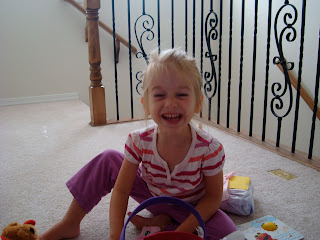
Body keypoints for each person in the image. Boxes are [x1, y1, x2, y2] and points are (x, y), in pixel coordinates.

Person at [40, 48, 237, 240]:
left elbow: (212, 198)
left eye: (181, 95)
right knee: (107, 158)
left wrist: (181, 233)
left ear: (197, 103)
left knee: (230, 233)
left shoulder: (210, 149)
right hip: (151, 197)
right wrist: (115, 235)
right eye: (160, 95)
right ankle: (70, 222)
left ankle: (164, 223)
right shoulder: (139, 140)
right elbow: (122, 190)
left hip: (191, 207)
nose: (170, 103)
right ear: (146, 104)